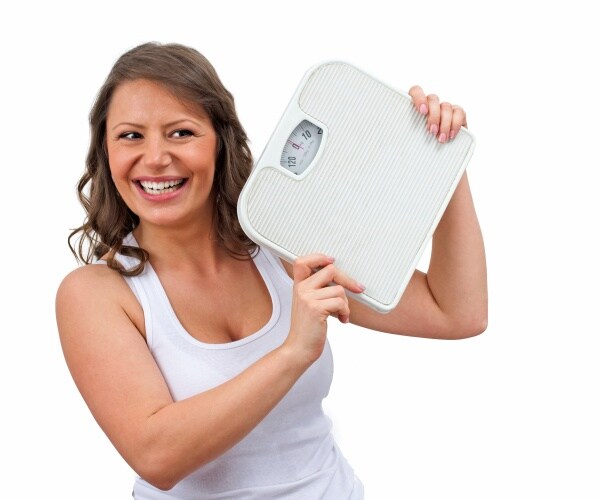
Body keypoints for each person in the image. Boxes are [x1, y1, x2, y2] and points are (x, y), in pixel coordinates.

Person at [56, 42, 487, 499]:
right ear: (105, 151)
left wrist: (445, 161)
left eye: (181, 132)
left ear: (220, 142)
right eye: (130, 136)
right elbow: (158, 457)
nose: (157, 157)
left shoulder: (283, 246)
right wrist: (291, 352)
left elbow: (456, 314)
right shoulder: (98, 294)